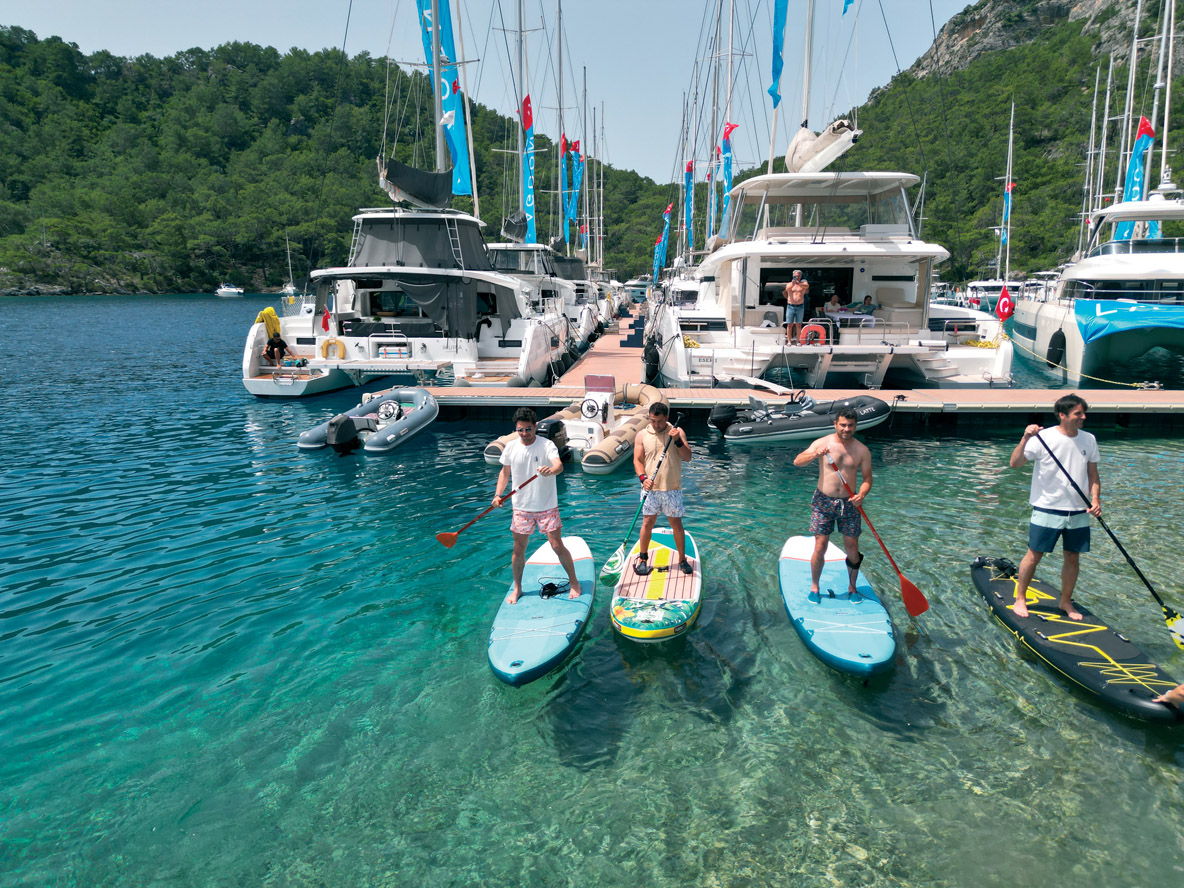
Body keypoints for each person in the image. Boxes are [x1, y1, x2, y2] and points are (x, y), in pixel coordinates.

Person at [1008, 393, 1102, 621]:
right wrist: (1024, 438)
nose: (1083, 417)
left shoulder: (1088, 439)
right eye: (1078, 413)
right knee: (1034, 555)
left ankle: (1065, 601)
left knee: (1072, 558)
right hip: (1047, 508)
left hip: (1079, 511)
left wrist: (1096, 500)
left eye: (1083, 412)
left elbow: (1093, 474)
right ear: (1062, 415)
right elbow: (1015, 463)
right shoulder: (1043, 438)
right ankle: (1020, 598)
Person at [493, 407, 582, 605]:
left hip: (547, 506)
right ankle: (517, 588)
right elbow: (504, 473)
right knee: (518, 549)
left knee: (557, 545)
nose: (524, 434)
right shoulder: (511, 447)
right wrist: (498, 494)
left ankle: (574, 582)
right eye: (520, 430)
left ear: (535, 427)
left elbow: (558, 465)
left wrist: (550, 471)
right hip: (521, 508)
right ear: (516, 429)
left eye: (528, 429)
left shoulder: (546, 444)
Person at [793, 407, 870, 598]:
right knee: (820, 545)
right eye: (842, 425)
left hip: (850, 503)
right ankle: (814, 588)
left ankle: (852, 588)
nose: (846, 429)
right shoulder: (822, 443)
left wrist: (862, 494)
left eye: (850, 425)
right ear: (835, 424)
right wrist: (815, 455)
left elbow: (868, 479)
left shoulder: (862, 450)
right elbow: (797, 461)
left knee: (852, 546)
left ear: (855, 426)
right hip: (823, 501)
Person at [632, 401, 693, 575]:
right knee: (647, 523)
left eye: (659, 421)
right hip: (650, 489)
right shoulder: (642, 435)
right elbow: (637, 460)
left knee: (676, 525)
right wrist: (643, 478)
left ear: (666, 418)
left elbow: (688, 457)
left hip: (672, 488)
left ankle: (682, 560)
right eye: (652, 421)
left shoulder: (677, 432)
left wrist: (677, 441)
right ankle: (643, 558)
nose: (656, 425)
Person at [783, 269, 809, 344]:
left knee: (798, 324)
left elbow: (807, 286)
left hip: (800, 306)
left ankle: (798, 341)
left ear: (800, 276)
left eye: (798, 276)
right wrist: (793, 283)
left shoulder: (803, 283)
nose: (796, 277)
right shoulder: (790, 284)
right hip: (790, 306)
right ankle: (789, 341)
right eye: (795, 276)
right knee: (789, 324)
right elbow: (787, 289)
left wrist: (799, 283)